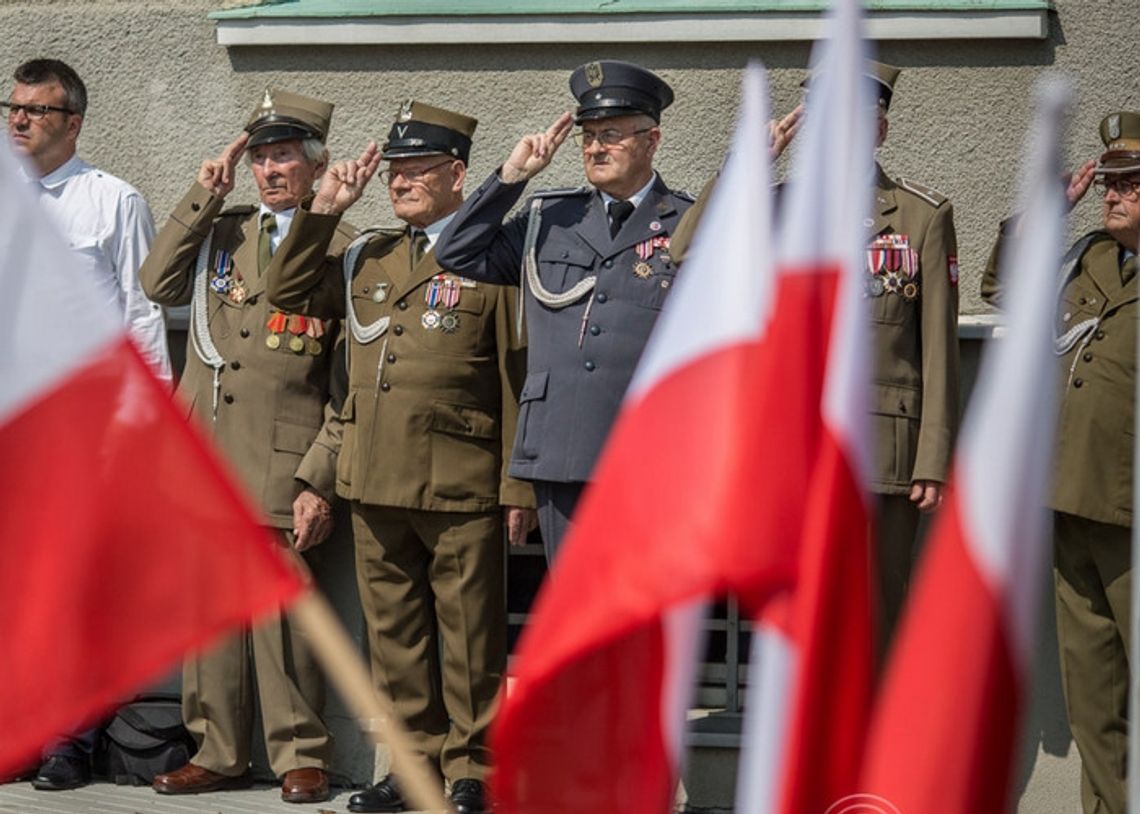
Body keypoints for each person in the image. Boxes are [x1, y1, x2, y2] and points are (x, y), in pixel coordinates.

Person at [266, 100, 535, 814]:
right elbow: (286, 293)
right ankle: (412, 768)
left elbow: (515, 377)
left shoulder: (494, 255)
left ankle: (471, 770)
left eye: (417, 170)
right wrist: (325, 210)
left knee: (471, 640)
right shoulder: (364, 254)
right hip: (373, 476)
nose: (402, 183)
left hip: (462, 482)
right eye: (394, 172)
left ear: (456, 174)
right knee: (395, 641)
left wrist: (518, 486)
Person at [139, 88, 357, 805]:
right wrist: (203, 194)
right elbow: (155, 282)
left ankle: (300, 753)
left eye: (283, 154)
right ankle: (218, 749)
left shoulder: (343, 251)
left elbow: (344, 385)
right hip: (205, 456)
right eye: (260, 156)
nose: (269, 169)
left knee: (286, 623)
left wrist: (317, 478)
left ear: (315, 165)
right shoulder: (222, 233)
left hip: (282, 459)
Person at [433, 60, 694, 561]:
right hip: (563, 446)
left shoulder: (685, 221)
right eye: (588, 136)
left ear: (651, 139)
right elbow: (455, 252)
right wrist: (511, 178)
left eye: (611, 135)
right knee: (573, 612)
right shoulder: (549, 218)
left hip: (650, 453)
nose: (595, 148)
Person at [5, 56, 172, 792]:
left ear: (72, 122)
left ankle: (70, 741)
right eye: (11, 107)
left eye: (35, 110)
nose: (17, 120)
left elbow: (142, 320)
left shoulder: (112, 202)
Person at [982, 112, 1137, 814]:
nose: (1113, 195)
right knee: (1091, 689)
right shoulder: (1082, 255)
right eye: (1108, 181)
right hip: (1069, 499)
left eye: (1131, 183)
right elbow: (1001, 286)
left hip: (1132, 510)